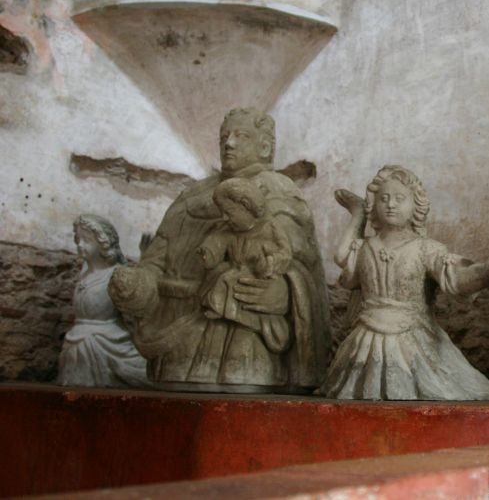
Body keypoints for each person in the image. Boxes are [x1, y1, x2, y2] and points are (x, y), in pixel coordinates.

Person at [109, 108, 330, 393]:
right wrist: (139, 284)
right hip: (178, 340)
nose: (229, 143)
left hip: (246, 335)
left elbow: (303, 267)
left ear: (264, 147)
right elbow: (157, 260)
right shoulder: (190, 197)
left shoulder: (281, 194)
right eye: (224, 137)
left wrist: (285, 291)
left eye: (241, 136)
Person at [320, 165, 489, 400]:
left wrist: (487, 271)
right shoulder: (364, 247)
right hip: (366, 337)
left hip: (413, 338)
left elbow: (455, 279)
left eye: (399, 198)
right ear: (373, 205)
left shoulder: (427, 249)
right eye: (384, 198)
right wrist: (358, 216)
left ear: (417, 205)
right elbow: (342, 257)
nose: (391, 204)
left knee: (431, 388)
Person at [197, 177, 293, 356]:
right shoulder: (228, 229)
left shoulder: (270, 227)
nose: (224, 217)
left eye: (229, 212)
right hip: (238, 274)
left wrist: (272, 262)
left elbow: (285, 252)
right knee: (225, 277)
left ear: (246, 205)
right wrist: (208, 252)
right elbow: (216, 243)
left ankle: (251, 320)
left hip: (259, 276)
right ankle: (221, 309)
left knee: (231, 281)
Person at [58, 214, 150, 388]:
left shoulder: (116, 273)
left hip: (107, 341)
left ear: (103, 243)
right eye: (78, 239)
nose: (80, 245)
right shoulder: (85, 271)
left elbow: (138, 298)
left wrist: (146, 260)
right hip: (75, 339)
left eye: (86, 240)